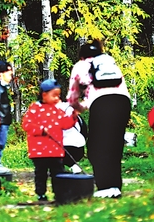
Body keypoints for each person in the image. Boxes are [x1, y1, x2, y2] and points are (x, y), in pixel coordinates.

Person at [67, 39, 130, 199]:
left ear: (82, 56)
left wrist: (78, 109)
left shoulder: (81, 66)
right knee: (115, 145)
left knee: (96, 146)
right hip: (123, 102)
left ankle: (104, 187)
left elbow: (73, 97)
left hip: (102, 104)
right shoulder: (110, 63)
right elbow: (117, 89)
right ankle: (115, 186)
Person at [22, 79, 78, 202]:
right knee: (41, 174)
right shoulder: (34, 109)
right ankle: (41, 194)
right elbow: (27, 125)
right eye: (54, 95)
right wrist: (41, 130)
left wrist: (73, 116)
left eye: (58, 95)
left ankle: (59, 193)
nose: (57, 98)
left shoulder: (56, 110)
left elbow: (65, 123)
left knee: (58, 173)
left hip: (56, 151)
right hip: (39, 151)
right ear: (44, 95)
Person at [57, 100, 85, 174]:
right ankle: (71, 166)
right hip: (79, 145)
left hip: (64, 147)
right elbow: (83, 128)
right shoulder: (73, 111)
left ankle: (65, 166)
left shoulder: (52, 111)